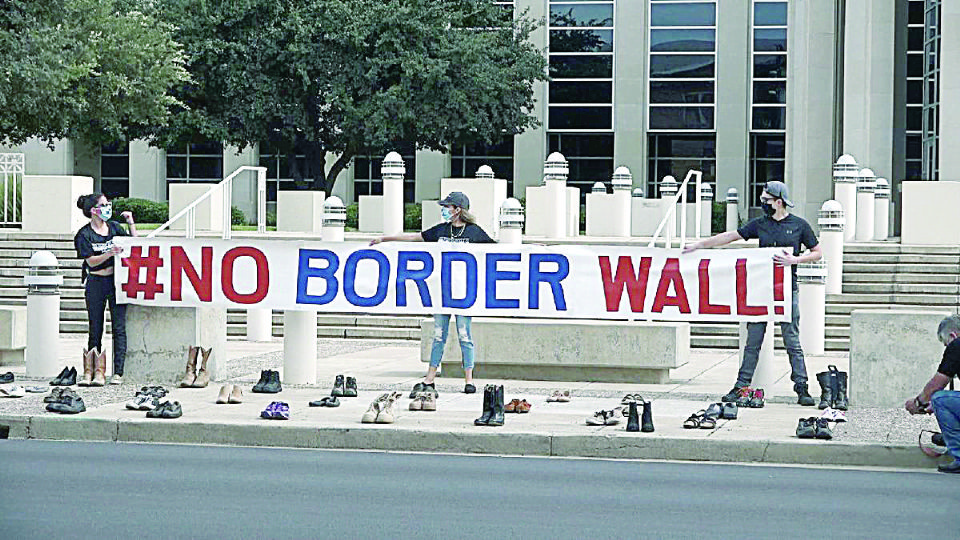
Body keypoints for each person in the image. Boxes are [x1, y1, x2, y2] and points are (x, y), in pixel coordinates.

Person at [684, 180, 822, 405]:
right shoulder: (761, 224)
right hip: (761, 290)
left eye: (766, 200)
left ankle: (802, 387)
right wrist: (700, 245)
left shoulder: (799, 225)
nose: (762, 203)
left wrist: (795, 260)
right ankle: (741, 386)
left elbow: (817, 252)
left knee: (792, 341)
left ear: (779, 202)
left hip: (787, 290)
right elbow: (731, 236)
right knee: (753, 341)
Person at [370, 191, 494, 396]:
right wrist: (384, 238)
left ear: (458, 210)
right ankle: (430, 377)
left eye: (448, 207)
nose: (445, 211)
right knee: (438, 335)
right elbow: (413, 238)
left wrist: (534, 250)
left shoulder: (475, 232)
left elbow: (499, 251)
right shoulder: (440, 231)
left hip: (463, 293)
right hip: (441, 293)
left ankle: (469, 380)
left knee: (465, 335)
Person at [74, 193, 137, 385]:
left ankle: (118, 371)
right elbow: (91, 262)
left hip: (116, 282)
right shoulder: (84, 234)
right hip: (96, 282)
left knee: (119, 327)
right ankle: (93, 370)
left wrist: (131, 222)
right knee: (95, 327)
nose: (107, 207)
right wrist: (109, 252)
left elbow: (135, 244)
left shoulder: (115, 228)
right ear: (94, 210)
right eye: (103, 205)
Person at [904, 315, 960, 474]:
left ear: (952, 336)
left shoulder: (956, 345)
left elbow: (937, 384)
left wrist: (917, 403)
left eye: (945, 343)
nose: (946, 347)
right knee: (943, 401)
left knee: (939, 399)